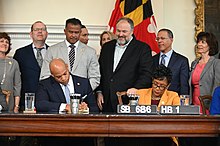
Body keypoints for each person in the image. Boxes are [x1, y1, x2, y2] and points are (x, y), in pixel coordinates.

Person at [97, 17, 153, 113]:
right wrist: (99, 92)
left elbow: (147, 74)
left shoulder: (142, 48)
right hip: (106, 101)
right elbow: (100, 71)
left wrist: (135, 88)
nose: (120, 34)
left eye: (124, 31)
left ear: (132, 31)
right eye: (118, 31)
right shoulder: (107, 47)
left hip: (129, 101)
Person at [40, 18, 100, 91]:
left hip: (82, 98)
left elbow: (95, 78)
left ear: (80, 32)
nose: (73, 35)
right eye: (70, 32)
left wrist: (83, 92)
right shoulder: (52, 50)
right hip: (57, 97)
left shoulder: (90, 52)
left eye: (76, 32)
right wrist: (58, 93)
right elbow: (45, 76)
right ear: (65, 31)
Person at [126, 64, 180, 146]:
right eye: (155, 84)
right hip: (142, 133)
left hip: (164, 135)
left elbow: (177, 118)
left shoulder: (173, 96)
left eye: (162, 86)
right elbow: (129, 112)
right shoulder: (140, 93)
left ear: (168, 86)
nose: (157, 88)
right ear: (152, 80)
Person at [13, 21, 49, 111]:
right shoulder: (20, 53)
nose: (40, 32)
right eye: (36, 29)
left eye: (43, 29)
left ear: (47, 34)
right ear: (31, 34)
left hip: (49, 101)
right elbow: (15, 79)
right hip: (26, 102)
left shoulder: (54, 51)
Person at [190, 32, 220, 113]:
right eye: (198, 42)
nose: (199, 44)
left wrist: (212, 104)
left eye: (203, 42)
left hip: (208, 104)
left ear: (210, 45)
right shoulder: (194, 63)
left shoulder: (216, 63)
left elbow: (217, 85)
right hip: (194, 104)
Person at [153, 28, 190, 95]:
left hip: (173, 99)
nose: (159, 41)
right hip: (155, 100)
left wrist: (184, 102)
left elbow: (184, 85)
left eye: (162, 38)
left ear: (171, 40)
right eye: (157, 39)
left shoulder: (182, 61)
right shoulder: (152, 59)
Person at [0, 32, 21, 113]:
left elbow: (17, 86)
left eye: (7, 42)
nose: (5, 44)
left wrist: (16, 106)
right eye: (1, 41)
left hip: (10, 103)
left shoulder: (13, 63)